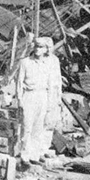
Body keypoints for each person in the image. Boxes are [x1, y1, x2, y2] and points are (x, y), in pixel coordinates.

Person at [16, 36, 63, 165]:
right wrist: (19, 99)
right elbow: (19, 83)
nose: (38, 49)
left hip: (42, 95)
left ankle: (35, 155)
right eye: (36, 46)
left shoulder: (48, 63)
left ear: (45, 49)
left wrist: (52, 99)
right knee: (27, 127)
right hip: (29, 96)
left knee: (39, 127)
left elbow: (53, 82)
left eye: (41, 47)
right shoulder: (25, 62)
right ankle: (24, 155)